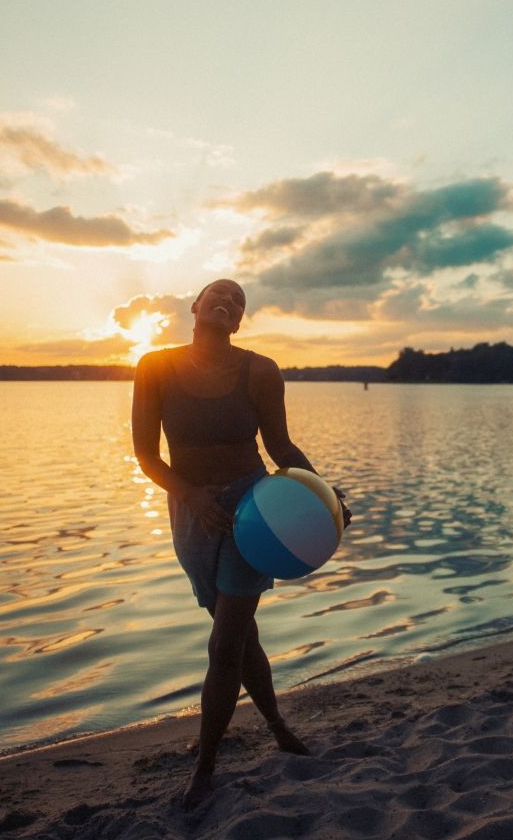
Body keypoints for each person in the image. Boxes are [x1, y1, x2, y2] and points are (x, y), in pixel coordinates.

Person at [131, 278, 350, 809]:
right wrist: (194, 498)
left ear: (239, 320)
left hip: (256, 513)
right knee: (241, 638)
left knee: (224, 644)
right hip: (191, 512)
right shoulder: (154, 366)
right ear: (196, 307)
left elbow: (279, 447)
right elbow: (145, 454)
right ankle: (276, 725)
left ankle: (205, 766)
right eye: (218, 294)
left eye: (239, 301)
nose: (227, 301)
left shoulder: (259, 370)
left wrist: (326, 497)